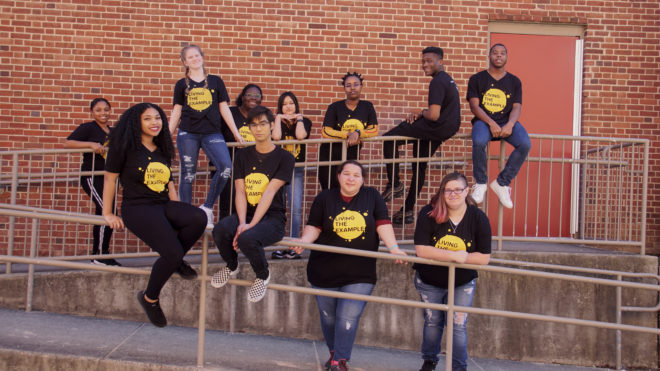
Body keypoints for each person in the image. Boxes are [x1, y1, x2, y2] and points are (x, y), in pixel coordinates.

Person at [292, 160, 407, 371]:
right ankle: (335, 353)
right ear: (339, 176)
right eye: (347, 174)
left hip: (360, 272)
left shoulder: (372, 196)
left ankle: (339, 361)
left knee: (347, 316)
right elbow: (314, 227)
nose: (351, 178)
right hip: (324, 270)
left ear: (363, 179)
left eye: (356, 175)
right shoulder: (324, 198)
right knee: (328, 318)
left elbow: (383, 224)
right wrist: (304, 241)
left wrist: (394, 248)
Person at [103, 103, 207, 328]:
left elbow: (168, 181)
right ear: (136, 123)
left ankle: (176, 260)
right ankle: (150, 298)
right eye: (148, 118)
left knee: (198, 217)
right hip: (137, 208)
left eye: (158, 118)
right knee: (171, 252)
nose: (154, 122)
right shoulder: (124, 147)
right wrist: (108, 213)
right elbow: (110, 179)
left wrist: (178, 211)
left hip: (162, 204)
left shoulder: (162, 148)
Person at [211, 105, 294, 303]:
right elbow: (240, 190)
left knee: (248, 238)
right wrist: (241, 222)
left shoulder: (285, 158)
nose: (258, 129)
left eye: (263, 124)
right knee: (220, 229)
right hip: (246, 214)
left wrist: (250, 225)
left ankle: (263, 275)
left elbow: (270, 191)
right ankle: (232, 265)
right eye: (253, 125)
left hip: (272, 218)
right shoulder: (242, 155)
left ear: (272, 125)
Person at [412, 172, 491, 371]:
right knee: (432, 322)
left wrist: (463, 258)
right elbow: (421, 250)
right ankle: (429, 361)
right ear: (442, 193)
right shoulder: (429, 213)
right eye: (448, 190)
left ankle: (459, 367)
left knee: (458, 326)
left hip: (462, 282)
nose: (453, 194)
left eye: (458, 189)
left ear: (467, 191)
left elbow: (484, 257)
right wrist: (455, 256)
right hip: (429, 281)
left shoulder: (478, 217)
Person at [382, 47, 461, 225]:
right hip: (444, 129)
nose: (424, 64)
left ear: (440, 62)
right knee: (419, 166)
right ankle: (408, 210)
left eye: (429, 61)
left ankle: (395, 184)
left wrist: (420, 113)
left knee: (388, 140)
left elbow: (433, 114)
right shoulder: (447, 80)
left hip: (435, 126)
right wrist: (423, 113)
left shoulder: (438, 81)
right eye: (423, 61)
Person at [169, 44, 244, 227]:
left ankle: (207, 207)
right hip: (188, 134)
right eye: (190, 57)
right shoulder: (181, 85)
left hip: (212, 133)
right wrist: (166, 136)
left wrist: (236, 134)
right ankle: (185, 215)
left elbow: (224, 108)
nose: (195, 59)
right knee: (188, 175)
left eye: (197, 55)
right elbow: (177, 111)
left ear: (202, 57)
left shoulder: (216, 81)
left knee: (225, 167)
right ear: (185, 62)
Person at [467, 43, 531, 209]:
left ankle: (502, 183)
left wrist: (510, 124)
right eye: (495, 53)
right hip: (484, 121)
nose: (498, 56)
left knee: (525, 144)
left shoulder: (514, 81)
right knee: (479, 141)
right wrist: (491, 123)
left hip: (506, 121)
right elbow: (474, 106)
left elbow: (517, 106)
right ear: (489, 56)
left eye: (502, 53)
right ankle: (481, 183)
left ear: (507, 57)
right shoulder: (477, 79)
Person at [65, 98, 119, 266]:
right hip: (92, 176)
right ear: (92, 112)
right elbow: (67, 143)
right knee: (107, 210)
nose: (103, 113)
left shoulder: (113, 131)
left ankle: (103, 253)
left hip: (109, 178)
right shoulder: (88, 128)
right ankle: (98, 255)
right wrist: (90, 144)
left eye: (106, 109)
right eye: (98, 110)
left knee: (106, 212)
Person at [271, 91, 313, 259]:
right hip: (278, 170)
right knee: (279, 209)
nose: (288, 107)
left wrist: (299, 119)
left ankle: (293, 246)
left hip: (295, 170)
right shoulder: (276, 122)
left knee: (295, 209)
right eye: (285, 104)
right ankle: (281, 244)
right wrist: (279, 119)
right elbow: (276, 137)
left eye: (291, 103)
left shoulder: (305, 122)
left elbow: (301, 136)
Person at [318, 72, 378, 190]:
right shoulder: (334, 107)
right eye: (348, 85)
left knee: (352, 189)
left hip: (352, 156)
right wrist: (347, 134)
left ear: (361, 86)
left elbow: (374, 129)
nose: (352, 88)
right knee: (330, 191)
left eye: (356, 84)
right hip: (330, 156)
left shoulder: (367, 106)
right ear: (344, 88)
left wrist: (358, 133)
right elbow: (326, 131)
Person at [218, 84, 263, 220]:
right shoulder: (230, 113)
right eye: (249, 95)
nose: (253, 98)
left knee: (247, 206)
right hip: (229, 168)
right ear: (242, 96)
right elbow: (217, 135)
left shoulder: (260, 117)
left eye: (257, 96)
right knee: (228, 204)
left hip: (250, 170)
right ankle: (225, 237)